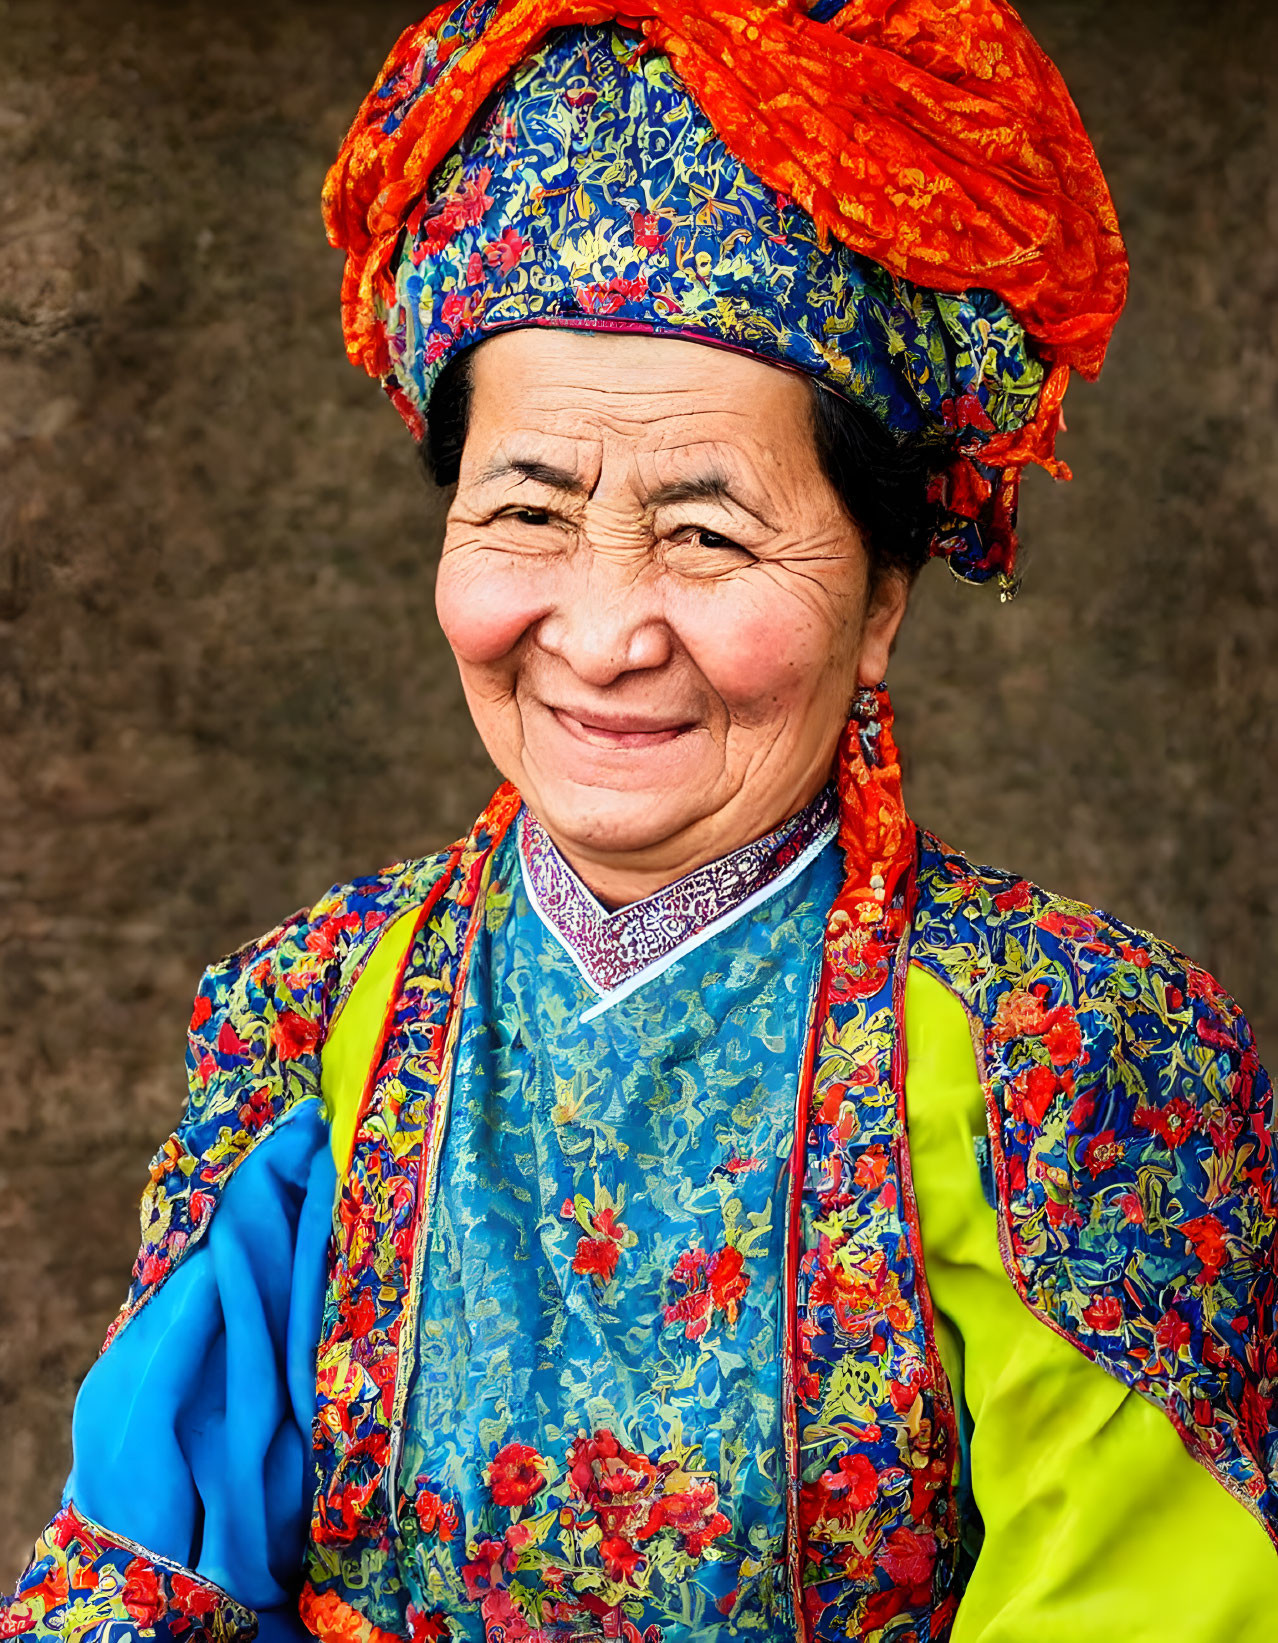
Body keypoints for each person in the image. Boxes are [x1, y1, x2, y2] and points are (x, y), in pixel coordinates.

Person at [5, 2, 1276, 1640]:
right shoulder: (312, 1004)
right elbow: (140, 1573)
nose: (603, 634)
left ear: (880, 598)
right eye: (527, 512)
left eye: (705, 536)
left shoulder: (1072, 1055)